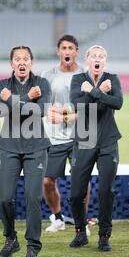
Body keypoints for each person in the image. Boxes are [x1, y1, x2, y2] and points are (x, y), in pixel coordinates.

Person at [0, 46, 51, 257]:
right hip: (8, 146)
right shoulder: (1, 85)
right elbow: (0, 112)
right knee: (4, 197)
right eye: (17, 59)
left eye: (26, 58)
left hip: (36, 147)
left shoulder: (42, 84)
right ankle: (10, 238)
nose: (22, 62)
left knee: (33, 198)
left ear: (31, 62)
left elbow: (41, 110)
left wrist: (13, 101)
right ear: (12, 64)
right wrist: (27, 98)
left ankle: (32, 247)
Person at [69, 45, 123, 251]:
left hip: (108, 139)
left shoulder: (113, 78)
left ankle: (104, 235)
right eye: (94, 56)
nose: (97, 59)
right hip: (84, 139)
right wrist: (101, 94)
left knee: (106, 191)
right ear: (87, 60)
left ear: (105, 61)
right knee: (76, 193)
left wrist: (92, 92)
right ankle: (80, 232)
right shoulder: (77, 80)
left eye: (101, 56)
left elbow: (117, 103)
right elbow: (78, 105)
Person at [41, 34, 91, 234]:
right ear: (58, 51)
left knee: (81, 180)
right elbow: (44, 105)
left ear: (77, 51)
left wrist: (64, 117)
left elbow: (90, 106)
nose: (67, 51)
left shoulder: (86, 73)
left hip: (81, 135)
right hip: (55, 137)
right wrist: (53, 113)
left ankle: (82, 223)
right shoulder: (48, 74)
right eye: (64, 48)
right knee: (47, 181)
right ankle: (59, 217)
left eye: (71, 48)